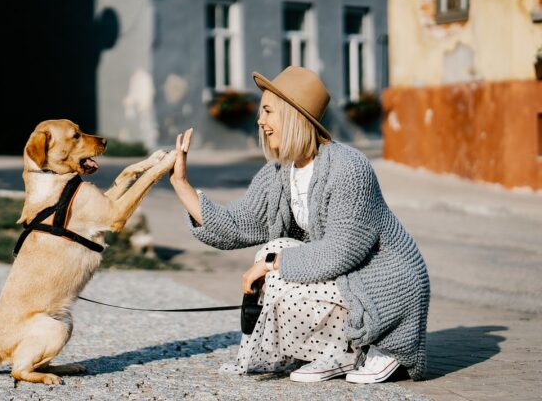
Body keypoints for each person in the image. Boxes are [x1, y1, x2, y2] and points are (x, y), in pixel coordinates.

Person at [169, 67, 429, 383]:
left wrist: (271, 265)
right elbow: (237, 224)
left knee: (275, 261)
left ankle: (366, 347)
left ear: (293, 115)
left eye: (268, 111)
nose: (259, 121)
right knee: (274, 251)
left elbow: (340, 252)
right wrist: (181, 184)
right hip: (345, 281)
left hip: (384, 286)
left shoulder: (349, 169)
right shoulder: (280, 172)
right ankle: (333, 351)